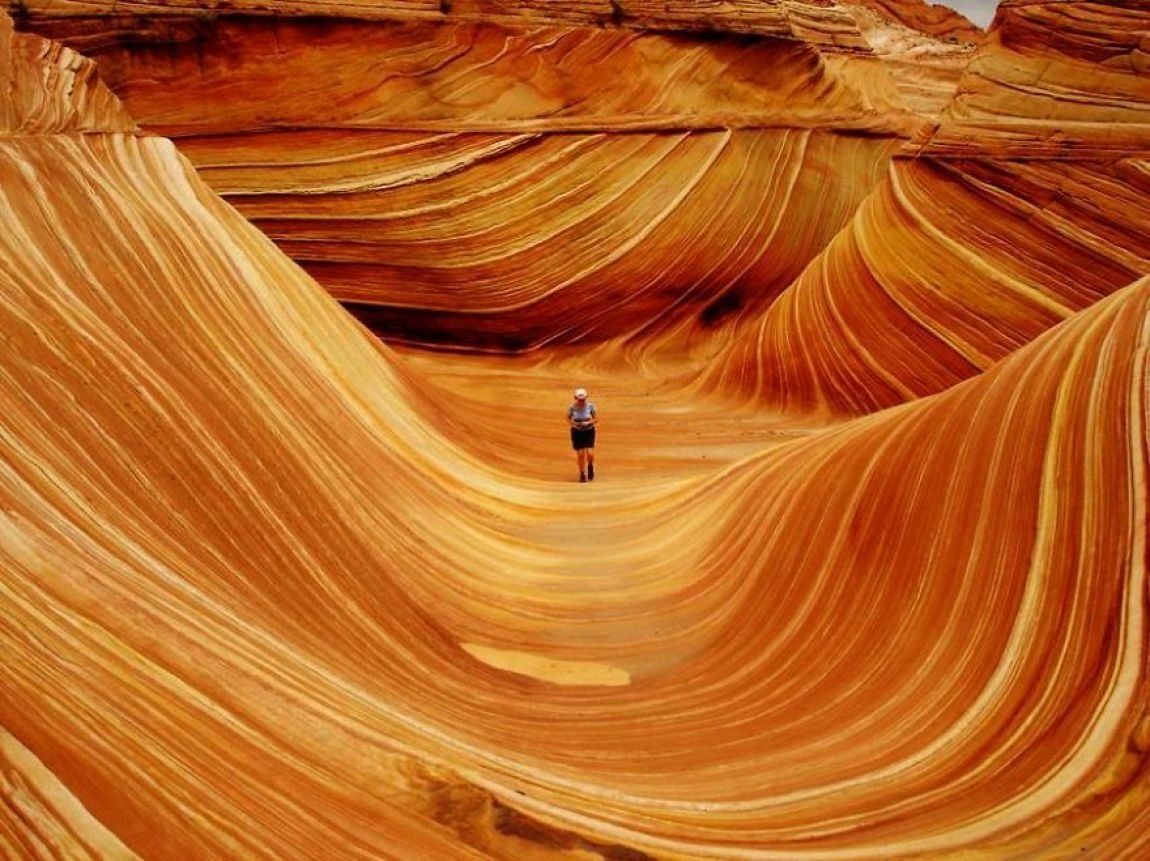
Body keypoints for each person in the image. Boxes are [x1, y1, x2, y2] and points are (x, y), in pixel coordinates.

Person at [567, 387, 597, 482]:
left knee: (590, 453)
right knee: (580, 454)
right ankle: (582, 473)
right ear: (575, 398)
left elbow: (596, 419)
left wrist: (588, 423)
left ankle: (590, 466)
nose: (581, 401)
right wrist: (574, 424)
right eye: (579, 399)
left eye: (583, 399)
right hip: (577, 432)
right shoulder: (572, 408)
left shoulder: (591, 406)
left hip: (589, 431)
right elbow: (567, 418)